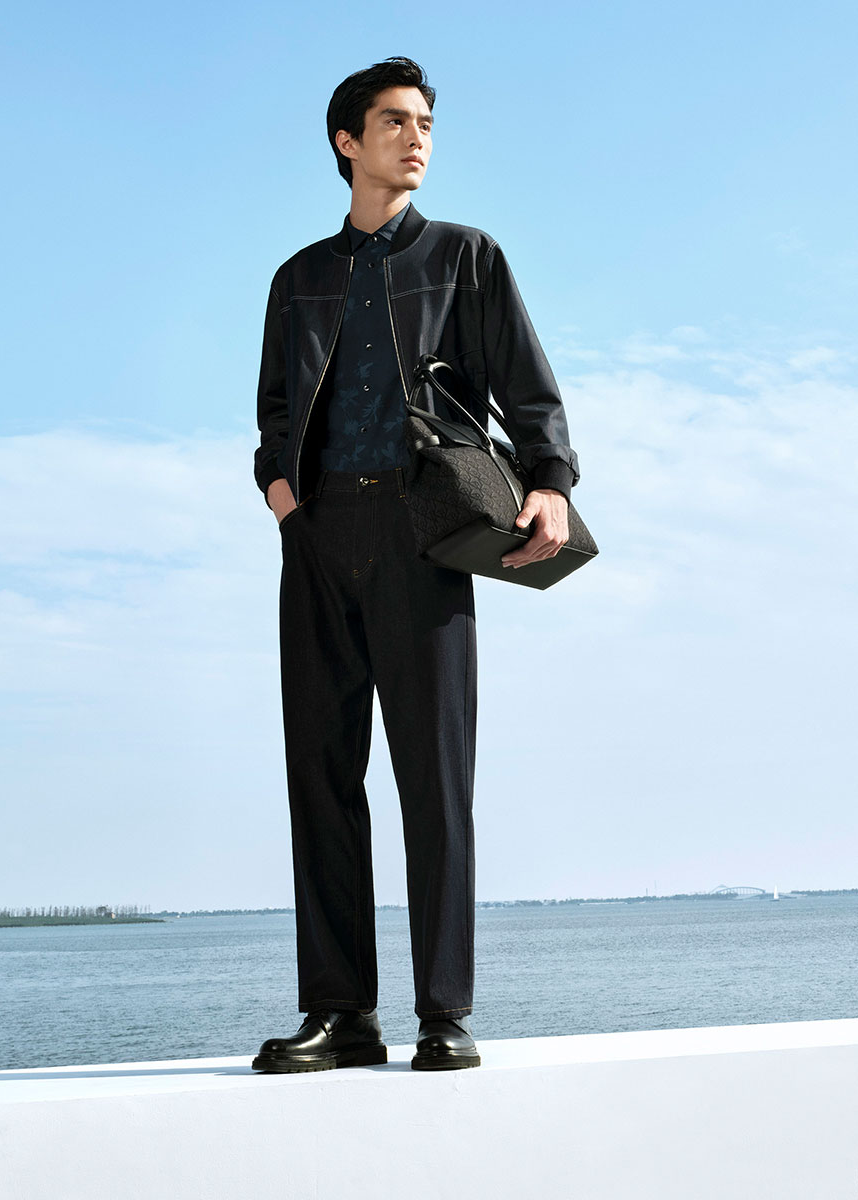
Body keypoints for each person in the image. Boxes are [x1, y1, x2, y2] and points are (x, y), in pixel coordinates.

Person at [251, 56, 579, 1074]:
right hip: (319, 538)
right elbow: (273, 413)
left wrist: (551, 481)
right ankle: (341, 1014)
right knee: (321, 779)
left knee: (434, 779)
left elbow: (527, 385)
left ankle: (444, 1013)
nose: (417, 138)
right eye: (394, 122)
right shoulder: (298, 279)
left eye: (426, 123)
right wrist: (287, 504)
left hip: (424, 534)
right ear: (347, 141)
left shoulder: (466, 256)